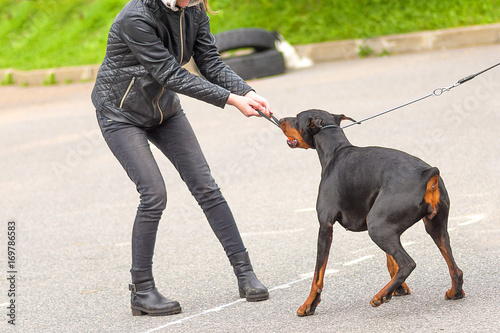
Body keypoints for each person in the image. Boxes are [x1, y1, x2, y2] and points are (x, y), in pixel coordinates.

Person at [91, 0, 271, 316]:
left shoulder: (195, 10)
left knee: (206, 186)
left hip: (165, 111)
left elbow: (210, 62)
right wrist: (232, 101)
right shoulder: (136, 17)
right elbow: (170, 74)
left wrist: (247, 92)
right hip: (121, 114)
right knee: (153, 194)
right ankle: (142, 292)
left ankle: (245, 273)